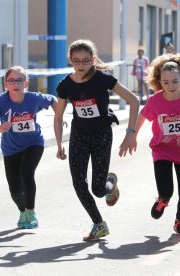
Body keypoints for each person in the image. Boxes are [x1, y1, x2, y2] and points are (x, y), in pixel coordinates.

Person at [54, 39, 140, 241]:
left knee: (98, 190)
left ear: (92, 60)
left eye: (85, 61)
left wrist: (130, 133)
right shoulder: (65, 85)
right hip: (79, 135)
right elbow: (58, 116)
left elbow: (134, 100)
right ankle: (99, 224)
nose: (81, 65)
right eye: (76, 61)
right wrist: (59, 144)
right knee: (78, 183)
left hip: (101, 134)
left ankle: (111, 183)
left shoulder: (102, 78)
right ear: (70, 61)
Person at [0, 66, 58, 229]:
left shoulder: (34, 98)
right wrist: (0, 128)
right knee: (14, 187)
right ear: (6, 84)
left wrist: (59, 116)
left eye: (20, 80)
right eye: (11, 80)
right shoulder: (0, 101)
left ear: (26, 83)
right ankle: (22, 212)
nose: (16, 83)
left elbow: (52, 100)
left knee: (26, 172)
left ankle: (31, 211)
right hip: (11, 148)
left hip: (33, 143)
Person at [133, 53, 180, 236]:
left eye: (175, 81)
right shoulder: (155, 101)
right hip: (162, 150)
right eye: (166, 82)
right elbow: (142, 116)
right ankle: (162, 200)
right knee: (167, 190)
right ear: (160, 82)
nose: (171, 86)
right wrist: (132, 135)